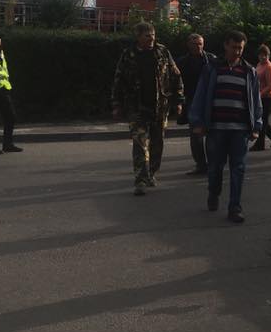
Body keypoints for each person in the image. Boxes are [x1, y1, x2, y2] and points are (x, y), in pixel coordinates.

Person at [188, 30, 262, 223]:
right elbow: (201, 95)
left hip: (240, 130)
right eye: (234, 47)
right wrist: (197, 122)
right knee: (215, 167)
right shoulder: (212, 68)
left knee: (238, 168)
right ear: (226, 46)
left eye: (240, 48)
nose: (237, 51)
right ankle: (214, 192)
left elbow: (256, 100)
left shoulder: (249, 71)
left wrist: (256, 126)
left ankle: (235, 207)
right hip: (216, 129)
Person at [111, 22, 183, 196]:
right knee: (140, 144)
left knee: (157, 143)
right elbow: (118, 79)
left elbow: (176, 75)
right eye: (147, 35)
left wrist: (179, 100)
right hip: (136, 107)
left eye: (153, 35)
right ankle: (141, 180)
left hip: (160, 107)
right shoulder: (128, 54)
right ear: (138, 37)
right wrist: (116, 104)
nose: (151, 38)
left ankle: (151, 173)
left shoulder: (162, 51)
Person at [176, 33, 216, 175]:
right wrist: (180, 101)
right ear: (188, 45)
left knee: (212, 135)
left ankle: (213, 164)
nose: (198, 46)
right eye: (194, 44)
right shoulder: (182, 62)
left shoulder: (212, 60)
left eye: (200, 44)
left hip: (210, 100)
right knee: (195, 136)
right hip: (192, 101)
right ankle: (201, 164)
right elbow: (177, 82)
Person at [251, 44, 271, 151]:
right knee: (262, 120)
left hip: (267, 97)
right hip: (260, 96)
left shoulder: (269, 67)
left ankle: (260, 144)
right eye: (261, 55)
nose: (263, 57)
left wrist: (259, 95)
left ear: (268, 55)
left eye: (266, 55)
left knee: (262, 120)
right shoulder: (259, 65)